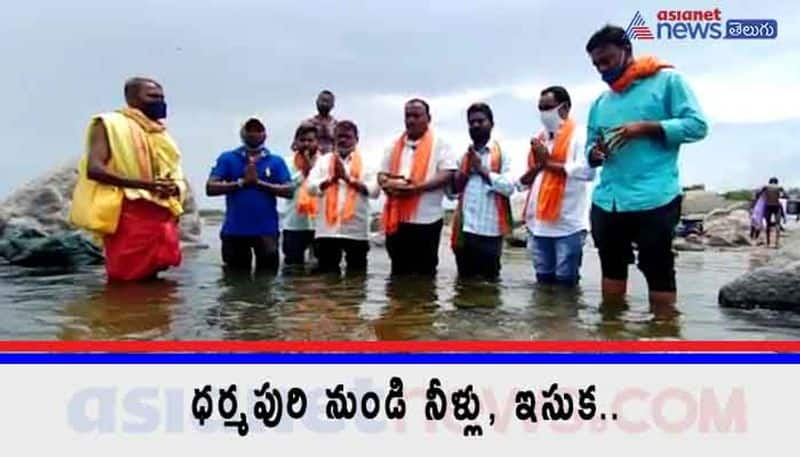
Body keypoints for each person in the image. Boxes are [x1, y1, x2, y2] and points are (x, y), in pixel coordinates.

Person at [584, 25, 708, 312]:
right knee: (611, 268)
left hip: (654, 197)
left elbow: (697, 126)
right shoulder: (601, 102)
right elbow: (590, 151)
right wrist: (596, 152)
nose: (602, 69)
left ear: (627, 51)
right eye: (596, 65)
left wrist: (645, 128)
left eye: (608, 60)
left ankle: (663, 339)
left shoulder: (667, 81)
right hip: (608, 200)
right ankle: (612, 336)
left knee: (658, 269)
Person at [69, 77, 186, 282]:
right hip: (128, 211)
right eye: (152, 96)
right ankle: (119, 313)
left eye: (161, 97)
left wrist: (174, 187)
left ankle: (146, 314)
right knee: (125, 277)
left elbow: (173, 169)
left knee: (156, 275)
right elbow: (95, 169)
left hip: (159, 211)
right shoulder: (109, 124)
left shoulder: (160, 133)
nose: (159, 101)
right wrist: (145, 185)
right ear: (132, 98)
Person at [517, 86, 595, 287]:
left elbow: (587, 172)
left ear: (565, 107)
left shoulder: (580, 135)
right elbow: (528, 179)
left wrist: (548, 163)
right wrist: (539, 165)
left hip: (568, 225)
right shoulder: (539, 138)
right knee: (542, 283)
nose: (544, 114)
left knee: (566, 285)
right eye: (540, 108)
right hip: (538, 225)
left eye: (548, 107)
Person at [379, 99, 457, 276]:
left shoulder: (441, 144)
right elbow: (382, 174)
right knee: (398, 272)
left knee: (425, 274)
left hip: (426, 221)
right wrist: (387, 184)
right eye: (407, 116)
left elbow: (447, 174)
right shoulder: (393, 144)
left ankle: (422, 305)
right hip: (397, 221)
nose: (411, 120)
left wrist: (417, 188)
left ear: (428, 118)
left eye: (416, 116)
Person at [206, 117, 292, 273]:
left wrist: (259, 183)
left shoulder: (275, 161)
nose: (254, 134)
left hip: (266, 231)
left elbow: (289, 191)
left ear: (265, 135)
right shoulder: (228, 158)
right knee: (234, 284)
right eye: (249, 130)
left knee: (267, 283)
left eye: (258, 130)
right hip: (235, 231)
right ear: (242, 134)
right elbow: (210, 187)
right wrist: (241, 183)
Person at [449, 103, 514, 280]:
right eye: (472, 122)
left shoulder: (503, 154)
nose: (476, 125)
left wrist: (481, 170)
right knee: (463, 285)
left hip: (489, 233)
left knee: (488, 287)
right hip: (463, 232)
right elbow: (452, 193)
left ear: (491, 124)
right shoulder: (464, 156)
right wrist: (464, 173)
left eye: (480, 121)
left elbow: (509, 187)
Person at [306, 121, 380, 274]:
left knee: (357, 279)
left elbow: (374, 191)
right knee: (327, 279)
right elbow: (310, 188)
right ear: (334, 139)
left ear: (356, 139)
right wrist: (330, 180)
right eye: (339, 137)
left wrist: (348, 179)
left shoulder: (368, 162)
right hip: (327, 231)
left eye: (347, 137)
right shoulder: (323, 161)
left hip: (356, 231)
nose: (343, 140)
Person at [281, 122, 321, 265]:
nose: (306, 144)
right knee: (292, 268)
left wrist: (313, 171)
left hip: (320, 226)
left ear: (318, 142)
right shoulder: (286, 163)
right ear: (296, 142)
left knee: (319, 271)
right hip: (294, 224)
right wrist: (304, 173)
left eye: (310, 140)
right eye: (302, 140)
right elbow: (285, 188)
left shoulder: (326, 162)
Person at [758, 177, 787, 248]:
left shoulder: (765, 187)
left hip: (768, 206)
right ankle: (776, 243)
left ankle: (768, 243)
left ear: (770, 182)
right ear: (776, 182)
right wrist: (780, 196)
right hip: (776, 206)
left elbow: (758, 194)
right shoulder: (779, 187)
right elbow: (786, 195)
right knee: (777, 225)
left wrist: (764, 196)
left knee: (768, 225)